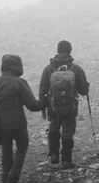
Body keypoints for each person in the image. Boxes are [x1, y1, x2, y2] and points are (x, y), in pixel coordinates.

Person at [0, 53, 44, 183]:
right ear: (17, 67)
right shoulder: (20, 83)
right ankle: (13, 180)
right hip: (18, 124)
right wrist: (45, 102)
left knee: (6, 149)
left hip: (0, 125)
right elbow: (32, 105)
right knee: (22, 147)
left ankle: (5, 179)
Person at [38, 39, 90, 168]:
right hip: (70, 105)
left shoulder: (48, 69)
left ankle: (54, 154)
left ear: (57, 50)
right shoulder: (76, 68)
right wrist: (86, 86)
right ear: (70, 51)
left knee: (54, 127)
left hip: (53, 105)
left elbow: (42, 89)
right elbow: (83, 91)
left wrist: (43, 106)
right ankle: (66, 160)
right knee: (68, 130)